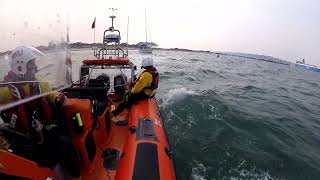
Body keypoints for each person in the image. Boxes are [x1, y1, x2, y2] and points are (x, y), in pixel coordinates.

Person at [0, 46, 80, 179]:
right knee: (56, 149)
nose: (36, 68)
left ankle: (73, 175)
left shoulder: (39, 83)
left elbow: (51, 93)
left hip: (42, 128)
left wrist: (57, 99)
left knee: (66, 144)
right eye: (32, 65)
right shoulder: (5, 91)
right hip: (21, 136)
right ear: (20, 66)